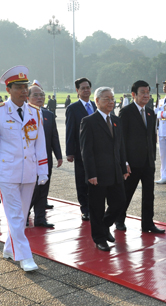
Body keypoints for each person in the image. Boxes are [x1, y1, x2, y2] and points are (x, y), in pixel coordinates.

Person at [0, 65, 49, 271]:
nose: (23, 91)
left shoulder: (35, 112)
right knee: (16, 216)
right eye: (18, 87)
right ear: (8, 90)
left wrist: (42, 170)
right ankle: (25, 256)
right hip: (7, 172)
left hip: (28, 171)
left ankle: (9, 248)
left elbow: (40, 144)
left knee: (20, 213)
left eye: (25, 87)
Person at [79, 87, 129, 251]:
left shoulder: (116, 120)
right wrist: (91, 174)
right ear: (97, 101)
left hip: (115, 171)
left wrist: (123, 167)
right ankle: (99, 238)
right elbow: (86, 151)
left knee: (120, 201)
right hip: (98, 174)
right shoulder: (89, 121)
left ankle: (104, 226)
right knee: (97, 207)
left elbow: (120, 147)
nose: (111, 101)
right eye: (107, 98)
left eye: (112, 98)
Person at [116, 80, 165, 234]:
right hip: (132, 162)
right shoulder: (126, 112)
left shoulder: (150, 112)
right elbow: (121, 139)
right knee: (127, 193)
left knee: (149, 195)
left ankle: (148, 224)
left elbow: (152, 137)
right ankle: (119, 219)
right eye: (142, 92)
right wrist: (124, 162)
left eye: (147, 92)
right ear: (133, 95)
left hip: (148, 162)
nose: (146, 95)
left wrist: (152, 158)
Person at [27, 85, 62, 227]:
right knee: (30, 190)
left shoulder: (48, 115)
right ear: (27, 97)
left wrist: (59, 155)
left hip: (45, 159)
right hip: (29, 160)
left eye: (42, 95)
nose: (39, 98)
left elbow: (54, 136)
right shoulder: (23, 114)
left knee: (43, 188)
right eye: (35, 95)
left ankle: (40, 218)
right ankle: (24, 215)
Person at [66, 77, 96, 221]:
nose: (86, 90)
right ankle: (85, 209)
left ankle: (95, 207)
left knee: (96, 180)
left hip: (97, 151)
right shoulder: (73, 108)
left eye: (88, 88)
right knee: (82, 181)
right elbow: (70, 130)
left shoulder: (97, 105)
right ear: (77, 91)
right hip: (81, 151)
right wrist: (69, 152)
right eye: (82, 88)